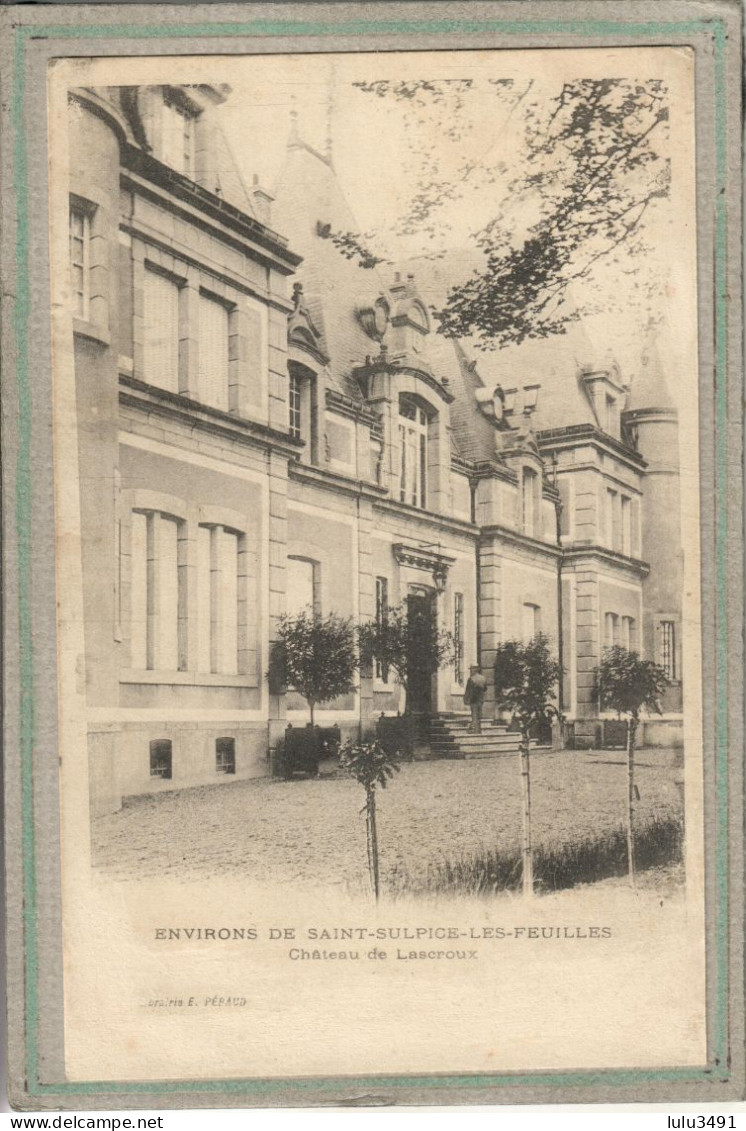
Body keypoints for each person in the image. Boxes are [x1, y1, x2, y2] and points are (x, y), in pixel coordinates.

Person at [463, 664, 488, 734]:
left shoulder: (471, 679)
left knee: (474, 714)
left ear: (475, 669)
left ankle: (474, 730)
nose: (471, 670)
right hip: (480, 699)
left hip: (473, 699)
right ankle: (478, 730)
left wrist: (466, 699)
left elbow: (468, 690)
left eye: (471, 669)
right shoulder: (483, 678)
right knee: (479, 715)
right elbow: (485, 689)